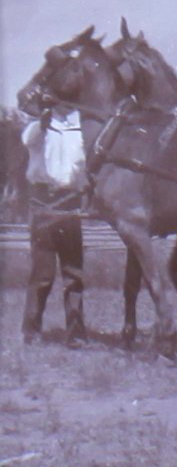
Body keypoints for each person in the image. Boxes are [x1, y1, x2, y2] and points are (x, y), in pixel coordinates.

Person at [20, 102, 88, 347]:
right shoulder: (38, 127)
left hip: (70, 202)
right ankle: (31, 330)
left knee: (73, 273)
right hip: (43, 202)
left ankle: (76, 333)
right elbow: (28, 139)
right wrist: (43, 118)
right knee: (43, 273)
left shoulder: (81, 128)